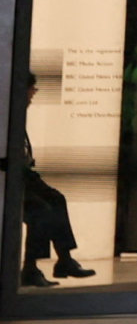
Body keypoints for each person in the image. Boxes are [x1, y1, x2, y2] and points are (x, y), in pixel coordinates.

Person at [13, 68, 96, 286]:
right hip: (13, 176)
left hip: (23, 175)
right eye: (32, 90)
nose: (33, 95)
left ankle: (65, 259)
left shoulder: (16, 115)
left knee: (56, 200)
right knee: (40, 210)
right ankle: (30, 267)